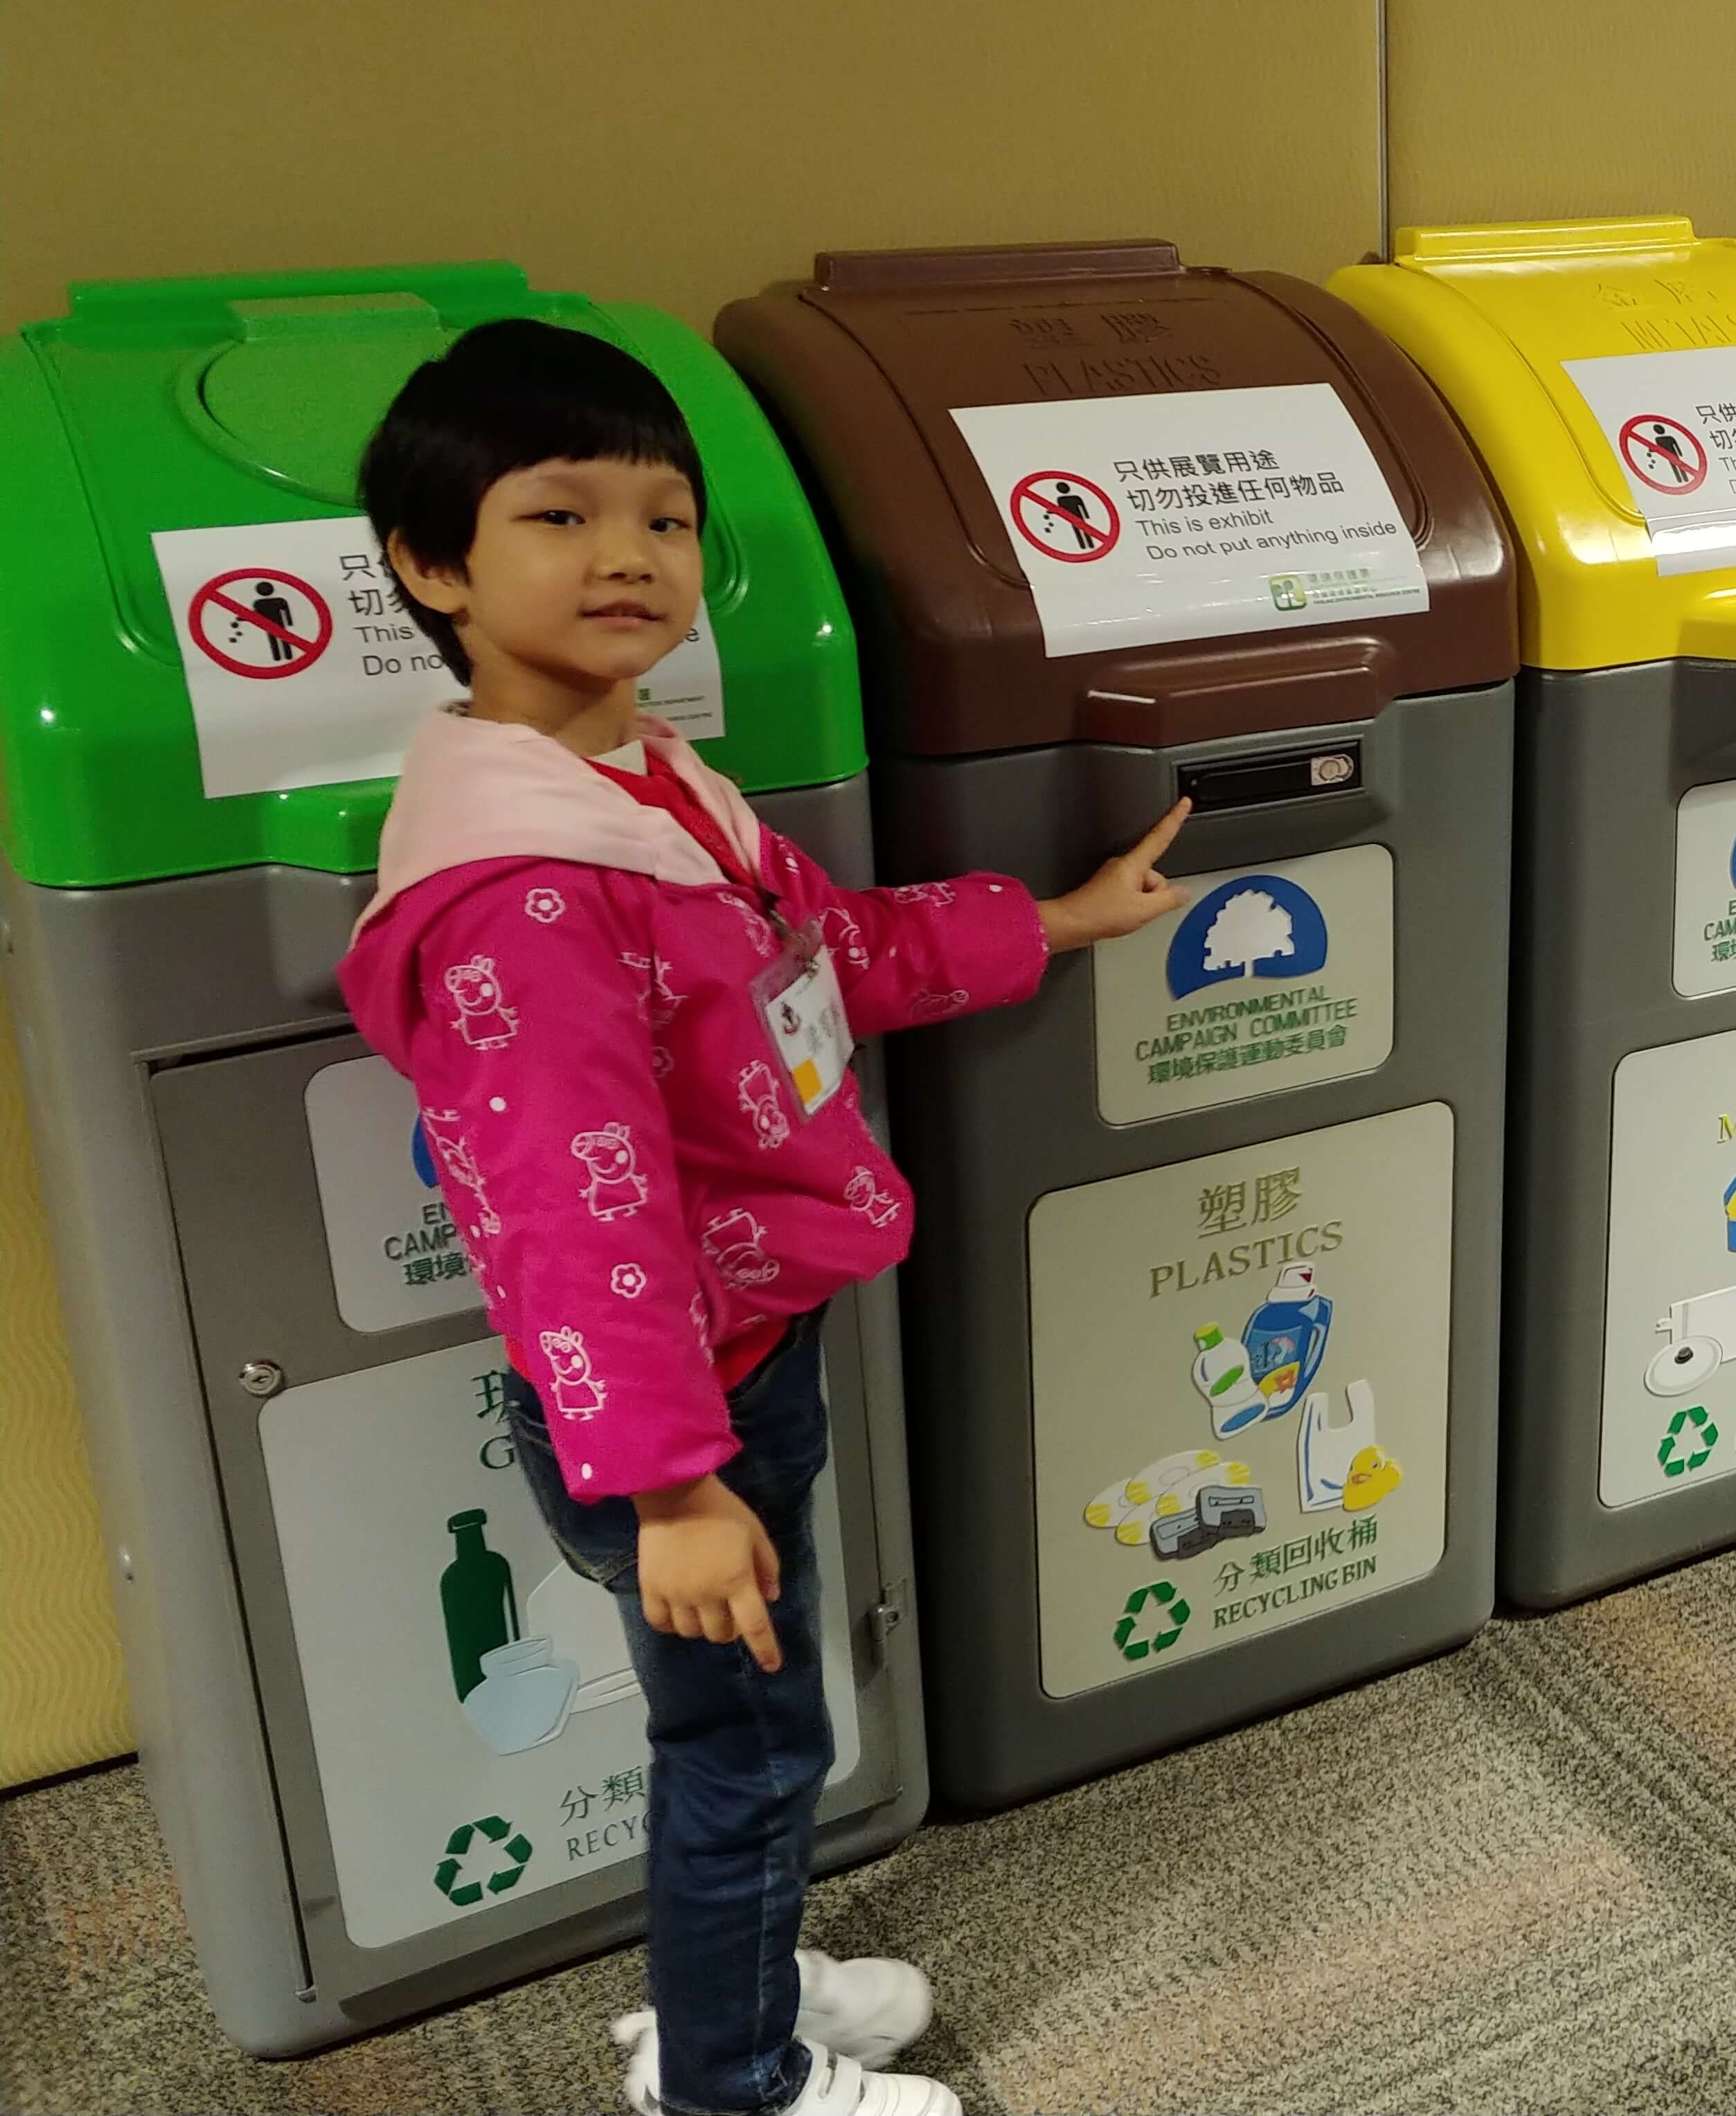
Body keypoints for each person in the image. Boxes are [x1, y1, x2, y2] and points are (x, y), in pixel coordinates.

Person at [340, 319, 1190, 2116]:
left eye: (663, 516)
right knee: (745, 1743)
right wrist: (671, 1485)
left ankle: (734, 1982)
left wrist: (1056, 920)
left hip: (732, 1360)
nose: (628, 555)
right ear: (432, 566)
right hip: (676, 1408)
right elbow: (577, 1215)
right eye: (560, 515)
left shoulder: (648, 790)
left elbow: (826, 954)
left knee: (753, 1726)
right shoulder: (527, 893)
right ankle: (728, 2078)